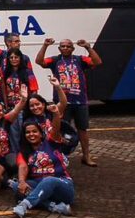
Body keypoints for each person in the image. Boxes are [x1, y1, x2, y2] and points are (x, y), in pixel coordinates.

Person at [36, 37, 102, 166]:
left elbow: (97, 62)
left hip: (80, 101)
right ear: (59, 48)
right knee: (59, 129)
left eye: (68, 46)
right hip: (62, 102)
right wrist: (45, 45)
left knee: (82, 129)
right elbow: (40, 61)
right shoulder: (55, 60)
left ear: (73, 48)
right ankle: (60, 157)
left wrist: (88, 47)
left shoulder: (80, 60)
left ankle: (86, 156)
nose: (65, 48)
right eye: (63, 46)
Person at [11, 97, 74, 218]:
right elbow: (23, 167)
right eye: (28, 133)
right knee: (16, 186)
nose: (31, 135)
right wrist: (22, 182)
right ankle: (53, 207)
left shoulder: (51, 142)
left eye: (34, 131)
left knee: (49, 180)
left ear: (41, 133)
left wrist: (55, 113)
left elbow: (55, 128)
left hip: (62, 186)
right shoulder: (24, 151)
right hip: (40, 186)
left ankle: (24, 205)